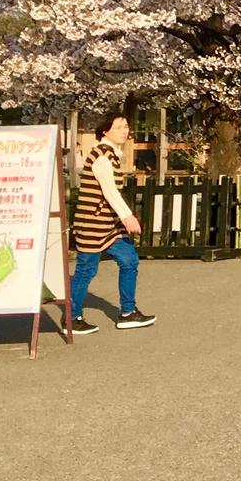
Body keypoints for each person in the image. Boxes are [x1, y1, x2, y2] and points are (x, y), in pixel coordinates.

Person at [69, 111, 156, 332]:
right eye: (119, 127)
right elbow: (110, 192)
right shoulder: (101, 157)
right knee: (86, 270)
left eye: (126, 127)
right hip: (92, 223)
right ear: (105, 131)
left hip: (108, 223)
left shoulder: (112, 154)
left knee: (129, 260)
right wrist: (127, 216)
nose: (125, 131)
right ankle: (72, 317)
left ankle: (127, 312)